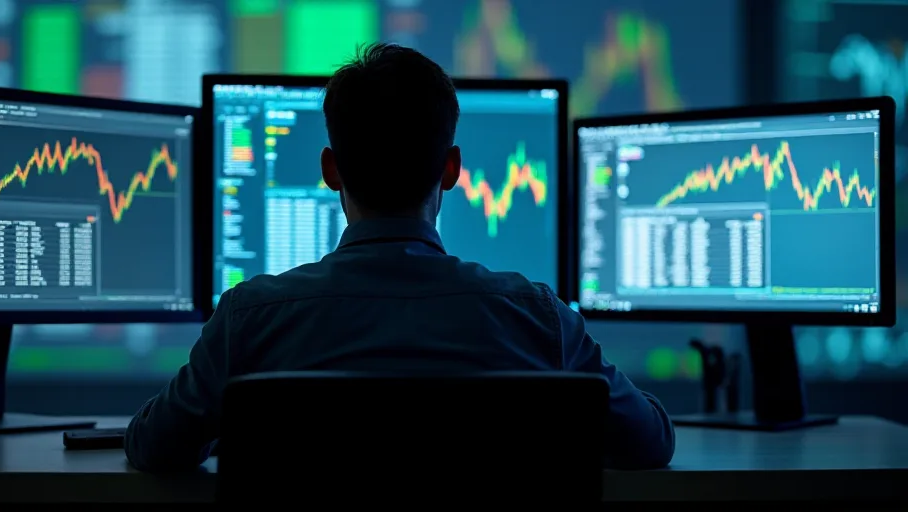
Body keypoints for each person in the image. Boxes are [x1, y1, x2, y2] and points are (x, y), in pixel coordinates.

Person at [125, 43, 675, 472]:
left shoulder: (249, 320)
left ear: (331, 170)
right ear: (453, 170)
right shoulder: (538, 319)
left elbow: (154, 448)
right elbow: (650, 442)